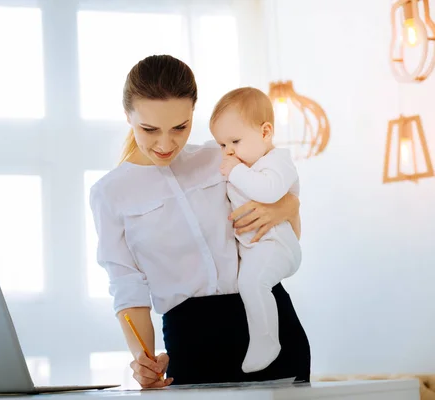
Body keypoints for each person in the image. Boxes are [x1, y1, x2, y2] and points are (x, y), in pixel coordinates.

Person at [89, 54, 310, 388]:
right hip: (193, 340)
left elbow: (281, 195)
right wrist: (143, 359)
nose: (166, 144)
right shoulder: (110, 193)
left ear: (194, 112)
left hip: (270, 320)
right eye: (149, 129)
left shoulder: (220, 156)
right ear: (127, 116)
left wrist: (288, 206)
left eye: (180, 127)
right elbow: (126, 285)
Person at [210, 87, 302, 374]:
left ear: (265, 132)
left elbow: (270, 191)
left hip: (277, 246)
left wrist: (235, 171)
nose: (228, 151)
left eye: (235, 141)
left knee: (253, 284)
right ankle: (262, 337)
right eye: (222, 145)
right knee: (247, 283)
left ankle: (266, 341)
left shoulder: (277, 161)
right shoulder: (245, 164)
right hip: (256, 248)